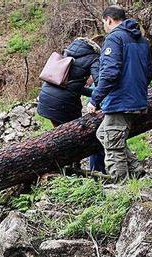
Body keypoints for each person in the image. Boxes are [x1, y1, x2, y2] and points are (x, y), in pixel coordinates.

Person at [88, 6, 152, 180]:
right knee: (104, 134)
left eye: (104, 23)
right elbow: (148, 72)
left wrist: (95, 99)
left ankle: (121, 187)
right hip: (135, 98)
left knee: (112, 144)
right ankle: (137, 172)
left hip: (120, 100)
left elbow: (110, 73)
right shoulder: (142, 41)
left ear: (109, 20)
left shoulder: (114, 38)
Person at [37, 37, 106, 173]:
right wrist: (98, 98)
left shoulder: (69, 51)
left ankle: (65, 166)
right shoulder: (93, 58)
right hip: (62, 104)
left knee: (62, 135)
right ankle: (76, 169)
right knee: (79, 136)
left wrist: (92, 94)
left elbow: (72, 85)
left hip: (46, 99)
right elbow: (100, 82)